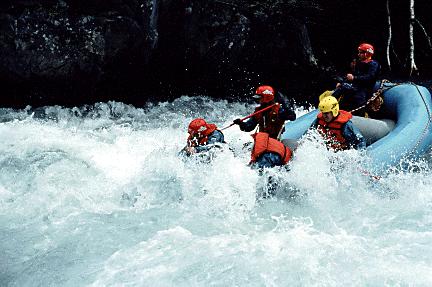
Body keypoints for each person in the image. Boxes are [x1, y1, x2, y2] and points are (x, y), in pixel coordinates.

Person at [333, 43, 381, 116]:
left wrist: (354, 78)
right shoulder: (359, 63)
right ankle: (331, 107)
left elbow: (370, 77)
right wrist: (342, 82)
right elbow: (353, 75)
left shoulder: (373, 64)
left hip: (365, 89)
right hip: (356, 86)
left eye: (361, 53)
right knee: (342, 88)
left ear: (367, 54)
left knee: (358, 98)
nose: (358, 54)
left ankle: (361, 116)